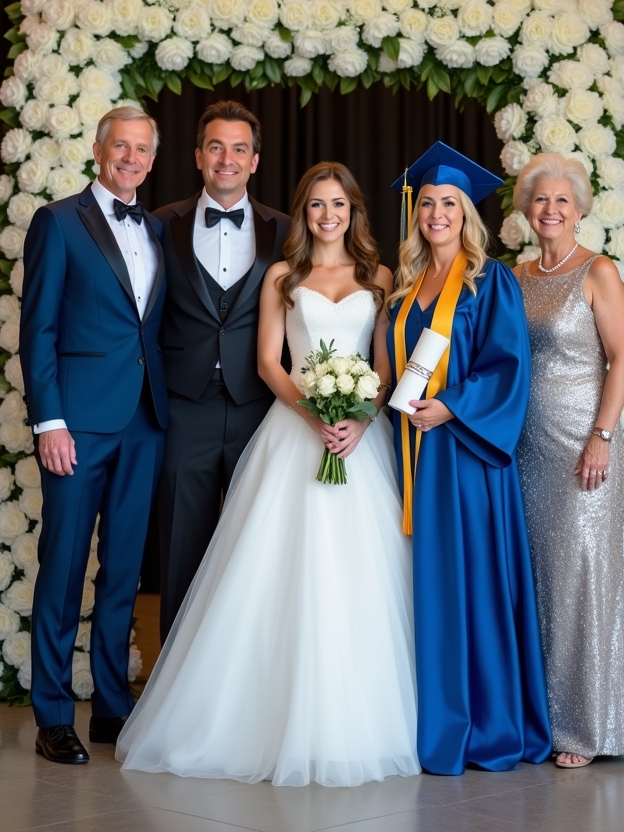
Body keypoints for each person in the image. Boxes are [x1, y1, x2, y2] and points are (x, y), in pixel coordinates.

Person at [117, 162, 419, 785]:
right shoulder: (283, 276)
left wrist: (358, 420)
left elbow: (385, 366)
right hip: (295, 430)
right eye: (317, 205)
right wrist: (314, 415)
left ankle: (362, 719)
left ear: (354, 212)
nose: (328, 215)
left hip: (359, 438)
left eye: (339, 204)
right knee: (275, 570)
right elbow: (267, 362)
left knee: (360, 574)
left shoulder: (380, 277)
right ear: (303, 212)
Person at [386, 141, 552, 776]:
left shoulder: (490, 280)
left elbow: (508, 365)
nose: (436, 213)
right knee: (428, 589)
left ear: (466, 213)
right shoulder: (405, 286)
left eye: (449, 203)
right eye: (427, 202)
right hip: (412, 452)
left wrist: (451, 408)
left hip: (466, 456)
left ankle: (485, 725)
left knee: (474, 585)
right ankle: (430, 717)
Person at [19, 106, 168, 765]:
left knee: (124, 570)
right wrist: (49, 421)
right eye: (121, 147)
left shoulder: (157, 229)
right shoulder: (57, 222)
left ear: (152, 160)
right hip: (76, 423)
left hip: (144, 420)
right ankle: (53, 714)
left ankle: (111, 705)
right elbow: (38, 329)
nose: (131, 158)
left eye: (142, 149)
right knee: (63, 566)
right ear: (99, 150)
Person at [513, 151, 624, 767]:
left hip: (583, 447)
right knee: (537, 579)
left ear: (580, 209)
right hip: (525, 448)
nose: (551, 209)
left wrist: (602, 437)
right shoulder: (515, 275)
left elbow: (623, 358)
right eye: (541, 199)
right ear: (526, 208)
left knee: (581, 579)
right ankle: (541, 720)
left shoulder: (598, 270)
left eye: (562, 200)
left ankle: (587, 728)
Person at [154, 100, 290, 641]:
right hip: (183, 406)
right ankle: (174, 675)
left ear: (255, 161)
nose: (226, 159)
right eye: (216, 147)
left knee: (255, 549)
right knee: (180, 547)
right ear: (198, 156)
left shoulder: (286, 231)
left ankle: (248, 670)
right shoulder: (160, 224)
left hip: (260, 407)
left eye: (239, 149)